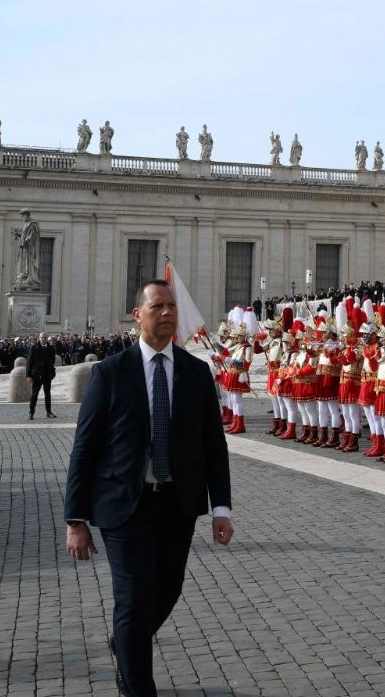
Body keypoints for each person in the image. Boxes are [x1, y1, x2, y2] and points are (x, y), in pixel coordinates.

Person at [64, 281, 233, 697]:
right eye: (157, 306)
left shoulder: (196, 372)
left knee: (168, 591)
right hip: (125, 505)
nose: (167, 313)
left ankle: (126, 643)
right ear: (137, 314)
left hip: (177, 503)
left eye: (172, 306)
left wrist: (222, 508)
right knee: (135, 596)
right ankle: (138, 687)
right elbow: (84, 449)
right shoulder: (110, 372)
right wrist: (75, 518)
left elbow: (214, 444)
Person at [26, 332, 57, 419]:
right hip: (37, 375)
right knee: (34, 395)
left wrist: (51, 371)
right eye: (42, 337)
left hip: (47, 375)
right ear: (39, 338)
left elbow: (52, 361)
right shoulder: (34, 347)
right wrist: (28, 375)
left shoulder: (51, 348)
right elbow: (29, 362)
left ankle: (49, 412)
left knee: (48, 394)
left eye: (45, 337)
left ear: (47, 339)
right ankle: (31, 413)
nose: (44, 339)